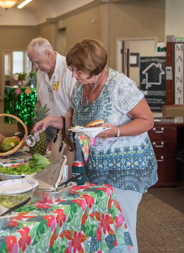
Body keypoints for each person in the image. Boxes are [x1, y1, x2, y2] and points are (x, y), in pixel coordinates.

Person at [32, 39, 157, 253]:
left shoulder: (120, 85)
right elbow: (79, 122)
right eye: (72, 69)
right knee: (98, 226)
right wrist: (52, 121)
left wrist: (115, 131)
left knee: (121, 229)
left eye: (78, 70)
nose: (73, 75)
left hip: (125, 169)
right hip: (95, 168)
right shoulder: (81, 87)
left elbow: (147, 120)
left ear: (96, 69)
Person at [27, 37, 77, 144]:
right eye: (33, 63)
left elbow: (75, 107)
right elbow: (40, 102)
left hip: (66, 130)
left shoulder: (69, 69)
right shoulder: (40, 72)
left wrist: (62, 136)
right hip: (46, 128)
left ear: (48, 53)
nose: (36, 67)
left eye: (37, 62)